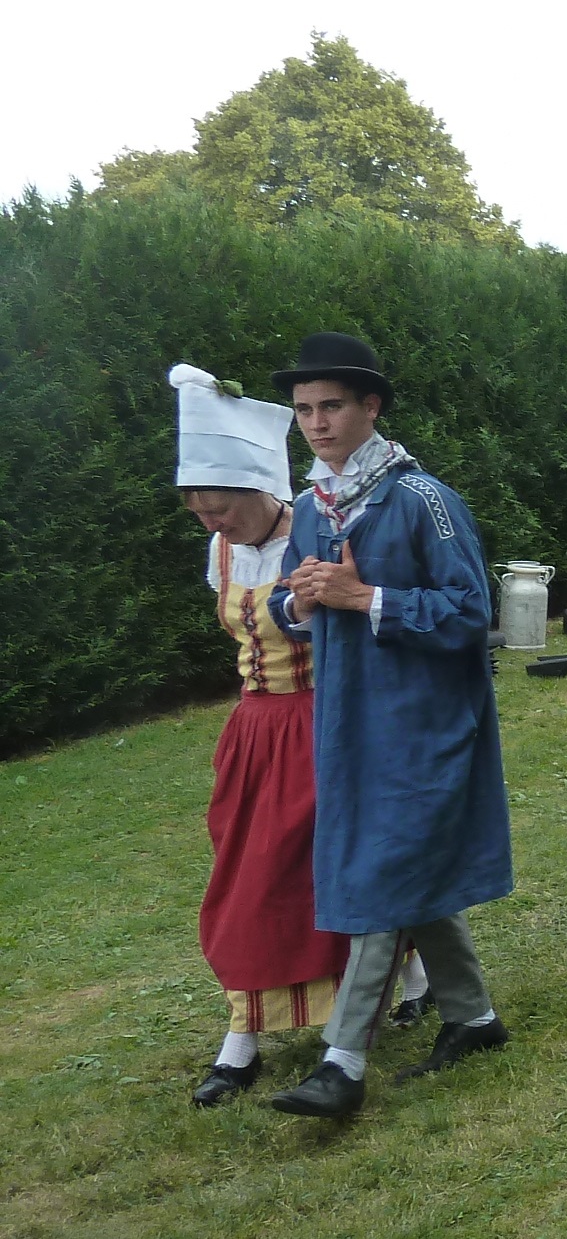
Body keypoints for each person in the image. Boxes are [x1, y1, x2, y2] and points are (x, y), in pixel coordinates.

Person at [262, 333, 513, 1118]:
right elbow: (285, 607)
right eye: (304, 409)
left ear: (371, 407)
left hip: (424, 722)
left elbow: (473, 612)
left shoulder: (422, 499)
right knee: (403, 868)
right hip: (349, 725)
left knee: (379, 873)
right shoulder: (309, 507)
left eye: (331, 405)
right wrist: (300, 600)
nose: (316, 422)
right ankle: (473, 1018)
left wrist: (365, 598)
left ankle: (343, 1061)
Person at [168, 365, 354, 1109]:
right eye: (202, 513)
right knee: (244, 873)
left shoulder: (314, 533)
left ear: (260, 492)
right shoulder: (220, 552)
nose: (216, 525)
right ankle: (250, 1025)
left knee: (314, 870)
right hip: (252, 730)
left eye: (225, 511)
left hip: (318, 721)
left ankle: (262, 1037)